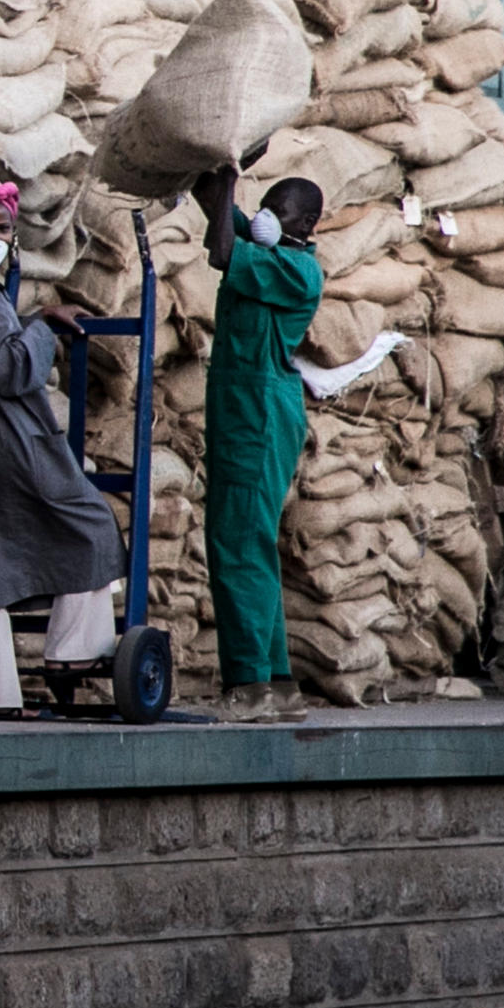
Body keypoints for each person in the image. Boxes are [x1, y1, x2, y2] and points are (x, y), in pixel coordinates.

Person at [0, 179, 125, 718]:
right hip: (4, 446)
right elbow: (9, 368)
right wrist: (41, 325)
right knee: (91, 526)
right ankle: (74, 654)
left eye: (1, 228)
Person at [195, 166, 325, 722]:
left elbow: (222, 250)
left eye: (281, 210)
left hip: (258, 415)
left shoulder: (297, 270)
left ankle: (247, 687)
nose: (267, 216)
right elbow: (217, 220)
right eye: (265, 204)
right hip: (244, 409)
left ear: (307, 224)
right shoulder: (269, 245)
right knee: (250, 544)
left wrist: (228, 181)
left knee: (237, 544)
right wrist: (218, 168)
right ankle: (278, 684)